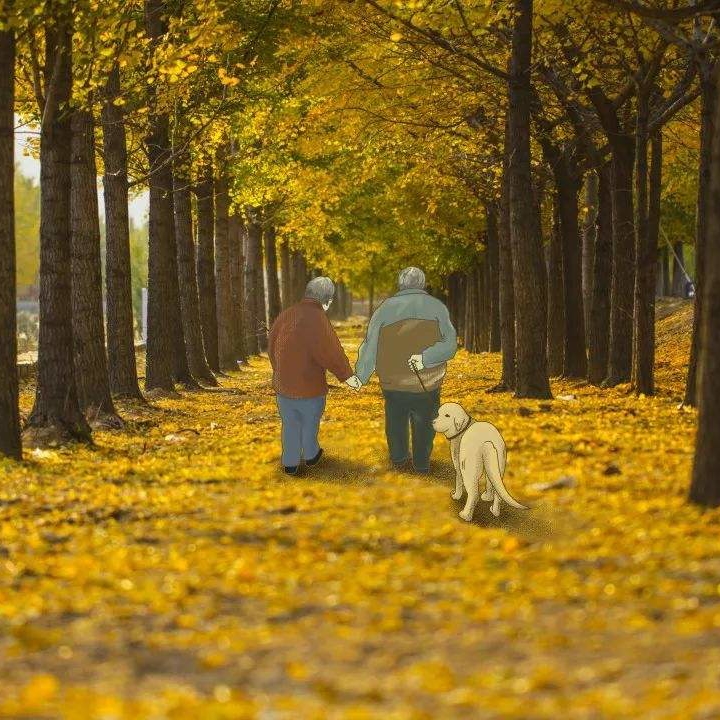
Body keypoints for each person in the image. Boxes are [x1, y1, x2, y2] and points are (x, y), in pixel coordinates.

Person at [348, 267, 457, 473]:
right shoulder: (438, 308)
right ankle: (422, 462)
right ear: (423, 284)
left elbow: (371, 345)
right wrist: (426, 358)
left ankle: (398, 459)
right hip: (428, 380)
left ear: (400, 284)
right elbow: (450, 345)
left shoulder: (385, 309)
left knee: (396, 419)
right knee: (425, 421)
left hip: (393, 379)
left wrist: (361, 376)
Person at [268, 277, 361, 475]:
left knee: (290, 423)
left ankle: (290, 461)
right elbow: (330, 351)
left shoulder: (287, 315)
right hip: (310, 385)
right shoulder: (318, 318)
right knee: (310, 421)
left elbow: (272, 344)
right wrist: (347, 376)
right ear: (326, 299)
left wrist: (278, 370)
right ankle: (311, 454)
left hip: (284, 385)